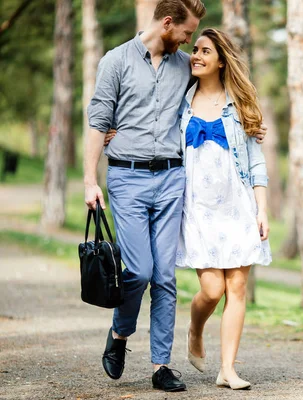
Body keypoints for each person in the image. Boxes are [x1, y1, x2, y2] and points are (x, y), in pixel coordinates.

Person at [84, 0, 206, 392]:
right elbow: (98, 121)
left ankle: (160, 366)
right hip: (127, 179)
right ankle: (120, 335)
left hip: (172, 179)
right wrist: (90, 179)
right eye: (186, 32)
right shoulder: (115, 61)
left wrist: (251, 123)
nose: (189, 40)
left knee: (166, 277)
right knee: (138, 271)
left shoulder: (185, 65)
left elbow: (222, 86)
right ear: (167, 23)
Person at [175, 28, 272, 390]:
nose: (195, 55)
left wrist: (262, 209)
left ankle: (227, 369)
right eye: (195, 50)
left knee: (238, 287)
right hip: (198, 208)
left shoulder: (242, 104)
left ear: (220, 60)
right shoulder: (179, 101)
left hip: (238, 204)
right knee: (212, 289)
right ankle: (195, 328)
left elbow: (257, 163)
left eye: (204, 51)